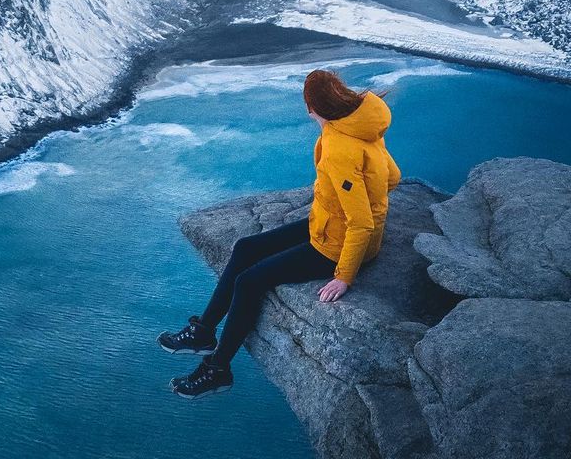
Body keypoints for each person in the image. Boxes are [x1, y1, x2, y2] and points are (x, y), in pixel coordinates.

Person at [160, 68, 401, 398]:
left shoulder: (339, 148)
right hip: (327, 226)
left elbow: (360, 222)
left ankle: (218, 369)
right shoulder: (363, 126)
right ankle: (203, 331)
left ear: (310, 107)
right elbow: (393, 177)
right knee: (246, 248)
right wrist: (356, 199)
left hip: (335, 245)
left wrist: (344, 276)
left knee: (249, 281)